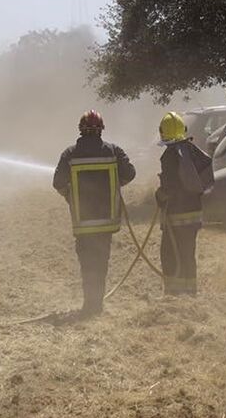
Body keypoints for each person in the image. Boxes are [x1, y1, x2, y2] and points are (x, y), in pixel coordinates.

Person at [53, 110, 136, 316]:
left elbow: (58, 183)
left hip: (83, 221)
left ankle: (89, 304)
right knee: (101, 261)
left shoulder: (69, 154)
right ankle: (97, 305)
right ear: (101, 129)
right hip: (106, 221)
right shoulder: (113, 151)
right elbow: (130, 173)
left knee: (87, 262)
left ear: (81, 129)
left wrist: (69, 196)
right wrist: (116, 185)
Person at [156, 111, 213, 296]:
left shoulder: (170, 155)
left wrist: (159, 196)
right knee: (188, 255)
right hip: (194, 215)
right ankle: (190, 292)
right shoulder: (193, 151)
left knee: (170, 254)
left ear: (163, 132)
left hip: (176, 215)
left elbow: (169, 188)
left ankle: (174, 294)